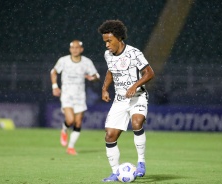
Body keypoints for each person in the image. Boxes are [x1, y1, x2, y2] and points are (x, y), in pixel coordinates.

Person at [98, 20, 155, 182]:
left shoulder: (134, 53)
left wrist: (135, 86)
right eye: (105, 42)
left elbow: (149, 73)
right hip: (120, 99)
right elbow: (111, 71)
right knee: (110, 136)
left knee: (137, 123)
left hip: (138, 97)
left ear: (119, 38)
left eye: (109, 41)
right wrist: (104, 88)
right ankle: (116, 172)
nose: (107, 45)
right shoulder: (108, 55)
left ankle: (141, 163)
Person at [50, 40, 100, 155]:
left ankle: (71, 147)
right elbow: (53, 72)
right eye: (72, 47)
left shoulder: (87, 62)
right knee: (71, 120)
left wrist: (93, 78)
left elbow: (96, 75)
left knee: (78, 123)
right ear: (70, 49)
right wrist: (54, 86)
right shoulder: (63, 61)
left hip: (80, 96)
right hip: (66, 95)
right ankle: (64, 129)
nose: (75, 50)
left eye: (77, 48)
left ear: (81, 49)